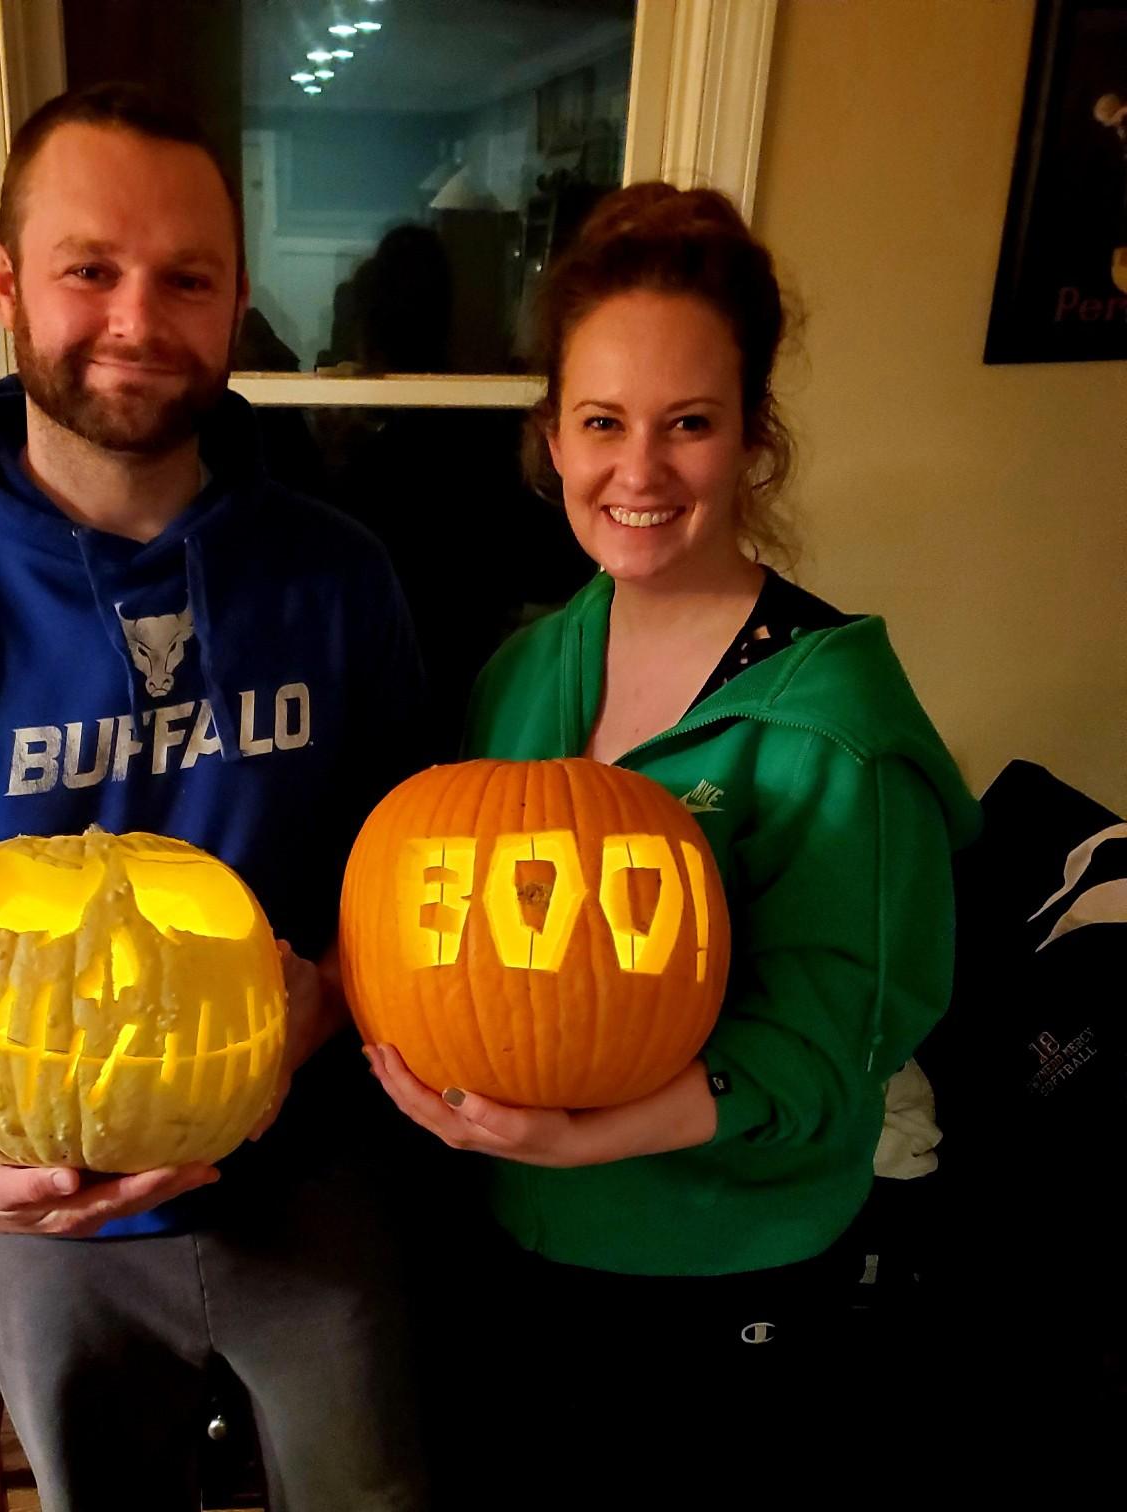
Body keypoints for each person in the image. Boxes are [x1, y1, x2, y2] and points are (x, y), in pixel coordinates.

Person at [0, 84, 429, 1511]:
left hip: (314, 1174)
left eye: (185, 278)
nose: (138, 319)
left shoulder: (342, 575)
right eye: (91, 269)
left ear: (237, 298)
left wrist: (319, 998)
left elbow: (409, 871)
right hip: (38, 1199)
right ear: (7, 283)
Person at [365, 183, 983, 1481]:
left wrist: (583, 1134)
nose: (636, 472)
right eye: (603, 422)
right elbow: (462, 927)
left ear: (754, 436)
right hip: (514, 1250)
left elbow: (830, 1058)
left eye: (688, 425)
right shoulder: (527, 671)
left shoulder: (836, 727)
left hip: (725, 1290)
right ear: (553, 432)